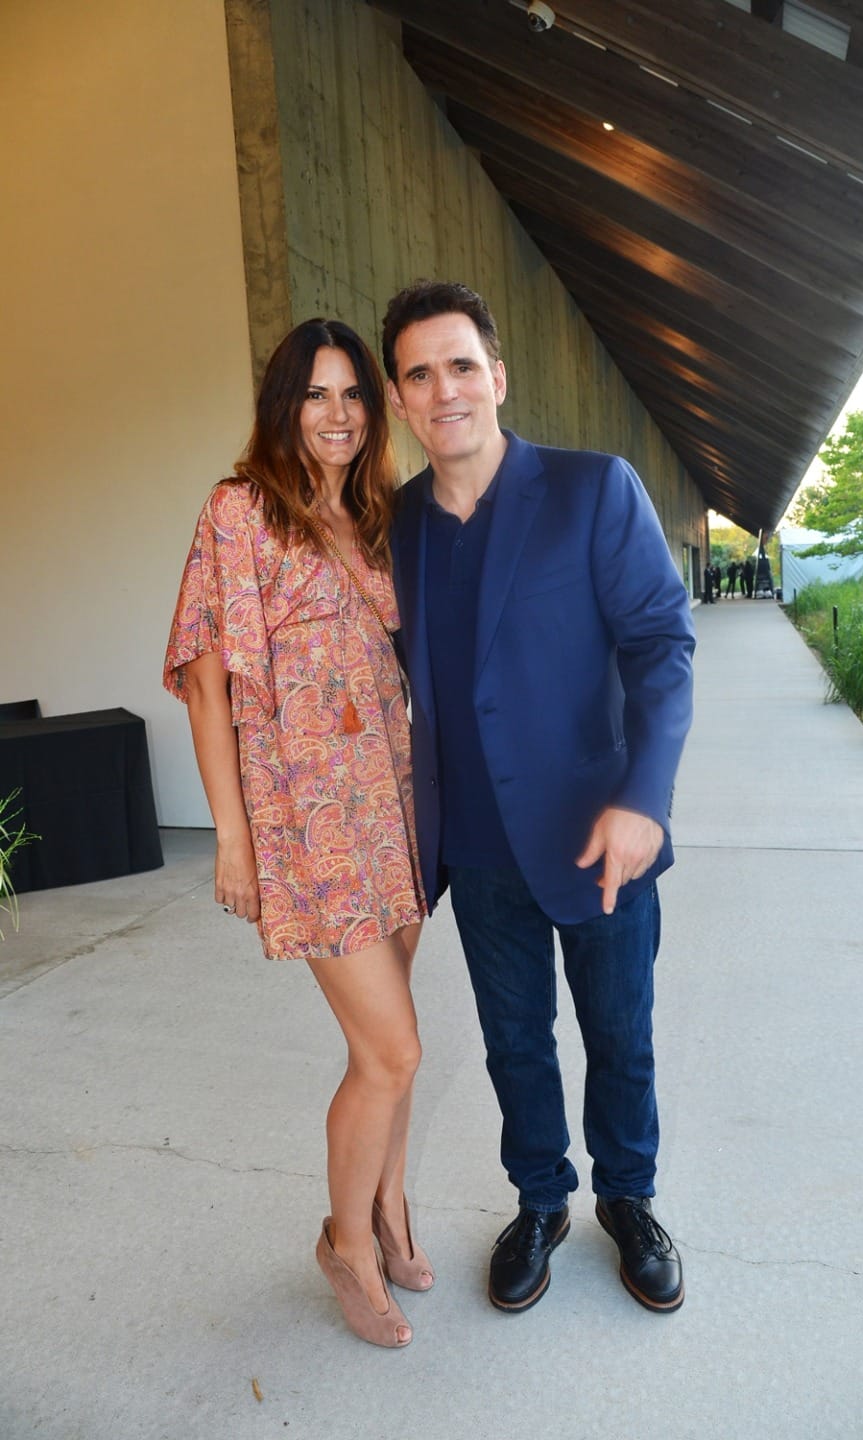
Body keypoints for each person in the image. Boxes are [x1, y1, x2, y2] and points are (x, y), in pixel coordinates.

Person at [383, 280, 695, 1315]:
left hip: (597, 833)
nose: (445, 389)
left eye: (460, 365)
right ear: (400, 399)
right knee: (514, 1044)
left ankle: (629, 1198)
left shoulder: (591, 489)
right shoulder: (398, 526)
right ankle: (541, 1200)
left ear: (497, 376)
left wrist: (644, 796)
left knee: (620, 1036)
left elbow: (661, 646)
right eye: (420, 374)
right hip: (476, 847)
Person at [163, 318, 431, 1350]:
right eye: (316, 394)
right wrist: (232, 839)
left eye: (353, 393)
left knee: (389, 1045)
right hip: (305, 823)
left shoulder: (376, 518)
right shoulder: (239, 511)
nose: (337, 413)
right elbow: (206, 687)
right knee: (392, 1051)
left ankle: (390, 1207)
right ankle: (347, 1245)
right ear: (284, 405)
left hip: (392, 808)